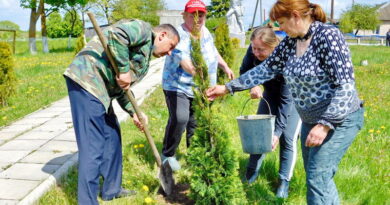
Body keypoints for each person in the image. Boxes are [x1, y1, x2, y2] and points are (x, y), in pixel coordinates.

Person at [206, 0, 364, 204]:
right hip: (310, 120)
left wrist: (325, 124)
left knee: (317, 178)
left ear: (296, 17)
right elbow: (265, 69)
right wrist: (227, 88)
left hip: (339, 119)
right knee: (318, 178)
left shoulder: (328, 36)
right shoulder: (291, 42)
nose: (280, 28)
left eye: (281, 22)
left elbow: (345, 85)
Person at [64, 19, 179, 205]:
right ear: (162, 35)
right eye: (171, 46)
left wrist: (134, 111)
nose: (170, 52)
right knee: (92, 146)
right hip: (87, 79)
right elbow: (116, 35)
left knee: (112, 136)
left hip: (102, 88)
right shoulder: (143, 29)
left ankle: (111, 189)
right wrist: (124, 70)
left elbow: (122, 86)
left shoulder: (145, 56)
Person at [161, 0, 235, 171]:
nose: (197, 18)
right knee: (180, 118)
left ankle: (194, 156)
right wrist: (197, 74)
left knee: (195, 122)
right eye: (193, 14)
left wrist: (224, 65)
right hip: (177, 86)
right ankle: (168, 154)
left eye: (201, 14)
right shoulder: (177, 35)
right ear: (184, 15)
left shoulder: (205, 31)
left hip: (200, 87)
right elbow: (185, 62)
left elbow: (212, 50)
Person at [240, 26, 301, 198]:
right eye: (254, 48)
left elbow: (286, 101)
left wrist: (277, 132)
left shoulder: (287, 60)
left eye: (261, 49)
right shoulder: (253, 51)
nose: (256, 52)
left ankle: (283, 183)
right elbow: (244, 71)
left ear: (273, 47)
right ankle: (251, 175)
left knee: (287, 138)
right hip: (269, 94)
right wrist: (253, 84)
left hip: (294, 98)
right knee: (259, 133)